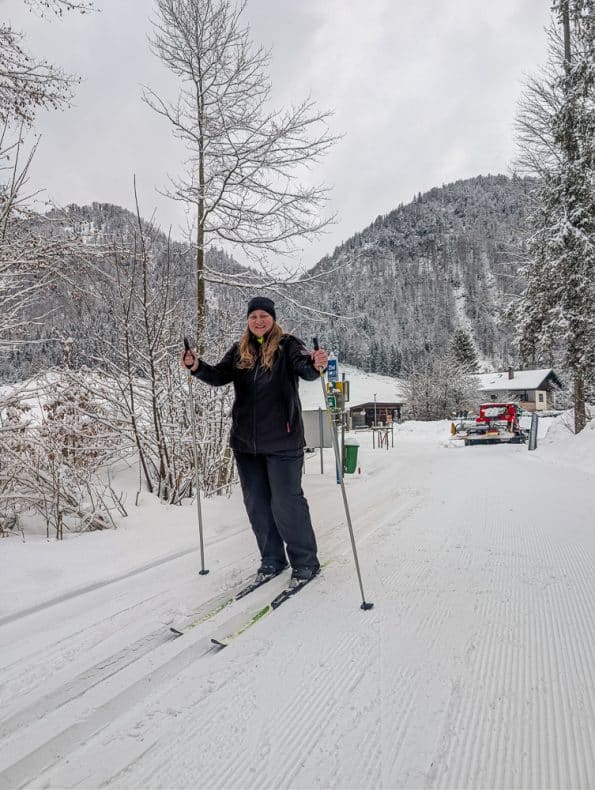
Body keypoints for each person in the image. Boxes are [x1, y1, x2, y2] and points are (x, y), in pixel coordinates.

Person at [181, 296, 329, 585]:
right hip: (246, 445)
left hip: (284, 442)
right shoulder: (239, 350)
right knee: (258, 505)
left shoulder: (288, 345)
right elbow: (219, 376)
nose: (258, 320)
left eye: (264, 315)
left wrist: (317, 364)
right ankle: (272, 559)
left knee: (287, 503)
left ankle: (305, 562)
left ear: (272, 318)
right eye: (253, 316)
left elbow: (306, 369)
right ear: (247, 320)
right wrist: (197, 366)